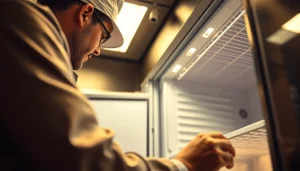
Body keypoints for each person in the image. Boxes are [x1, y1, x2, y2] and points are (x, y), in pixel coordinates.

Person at [0, 0, 236, 171]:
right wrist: (184, 165)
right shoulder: (21, 16)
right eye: (103, 36)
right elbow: (81, 159)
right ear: (85, 13)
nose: (99, 50)